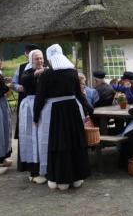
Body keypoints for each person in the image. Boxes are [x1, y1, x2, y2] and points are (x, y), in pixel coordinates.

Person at [33, 44, 91, 191]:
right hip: (72, 111)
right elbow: (80, 94)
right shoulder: (72, 72)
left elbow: (39, 98)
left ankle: (61, 178)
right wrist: (88, 109)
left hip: (56, 113)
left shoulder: (46, 75)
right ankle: (77, 176)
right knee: (74, 142)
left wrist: (35, 116)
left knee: (59, 144)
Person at [18, 49, 47, 184]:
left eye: (41, 58)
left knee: (43, 137)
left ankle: (44, 166)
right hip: (30, 107)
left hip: (44, 107)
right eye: (37, 59)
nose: (40, 61)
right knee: (32, 137)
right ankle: (33, 169)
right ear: (31, 60)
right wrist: (36, 73)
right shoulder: (27, 73)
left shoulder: (47, 71)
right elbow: (23, 81)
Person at [12, 43, 40, 172]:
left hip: (38, 100)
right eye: (29, 53)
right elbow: (14, 83)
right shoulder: (22, 67)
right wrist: (19, 88)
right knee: (25, 131)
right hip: (25, 98)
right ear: (26, 55)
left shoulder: (43, 67)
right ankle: (24, 163)